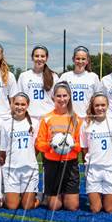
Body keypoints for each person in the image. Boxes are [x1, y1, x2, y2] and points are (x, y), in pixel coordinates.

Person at [36, 81, 82, 211]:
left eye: (64, 96)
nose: (62, 99)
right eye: (59, 96)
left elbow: (80, 145)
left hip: (70, 163)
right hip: (52, 164)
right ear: (53, 97)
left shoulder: (76, 119)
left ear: (69, 97)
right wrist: (50, 145)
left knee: (72, 207)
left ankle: (64, 194)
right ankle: (46, 196)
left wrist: (72, 145)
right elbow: (39, 144)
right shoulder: (47, 118)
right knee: (54, 207)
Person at [80, 92, 112, 213]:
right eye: (97, 105)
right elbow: (84, 148)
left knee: (110, 209)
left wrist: (109, 159)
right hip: (93, 169)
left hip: (110, 169)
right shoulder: (86, 124)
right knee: (95, 209)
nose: (100, 108)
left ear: (108, 105)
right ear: (92, 106)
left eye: (103, 105)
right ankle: (95, 198)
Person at [0, 92, 40, 210]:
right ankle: (8, 195)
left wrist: (28, 157)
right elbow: (3, 150)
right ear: (12, 104)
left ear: (27, 105)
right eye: (16, 104)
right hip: (11, 170)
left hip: (29, 169)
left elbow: (37, 147)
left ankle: (39, 197)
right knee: (12, 207)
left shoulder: (35, 123)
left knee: (27, 206)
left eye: (23, 104)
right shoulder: (5, 124)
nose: (19, 107)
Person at [17, 45, 59, 120]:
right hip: (30, 118)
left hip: (48, 117)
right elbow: (19, 98)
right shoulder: (24, 76)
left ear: (46, 58)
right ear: (32, 58)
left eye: (42, 56)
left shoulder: (54, 76)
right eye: (37, 56)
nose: (39, 59)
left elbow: (57, 99)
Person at [59, 46, 101, 119]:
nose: (80, 61)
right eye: (78, 59)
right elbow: (57, 96)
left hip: (87, 118)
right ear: (73, 59)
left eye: (83, 59)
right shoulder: (65, 76)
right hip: (69, 117)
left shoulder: (93, 77)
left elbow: (98, 98)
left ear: (87, 61)